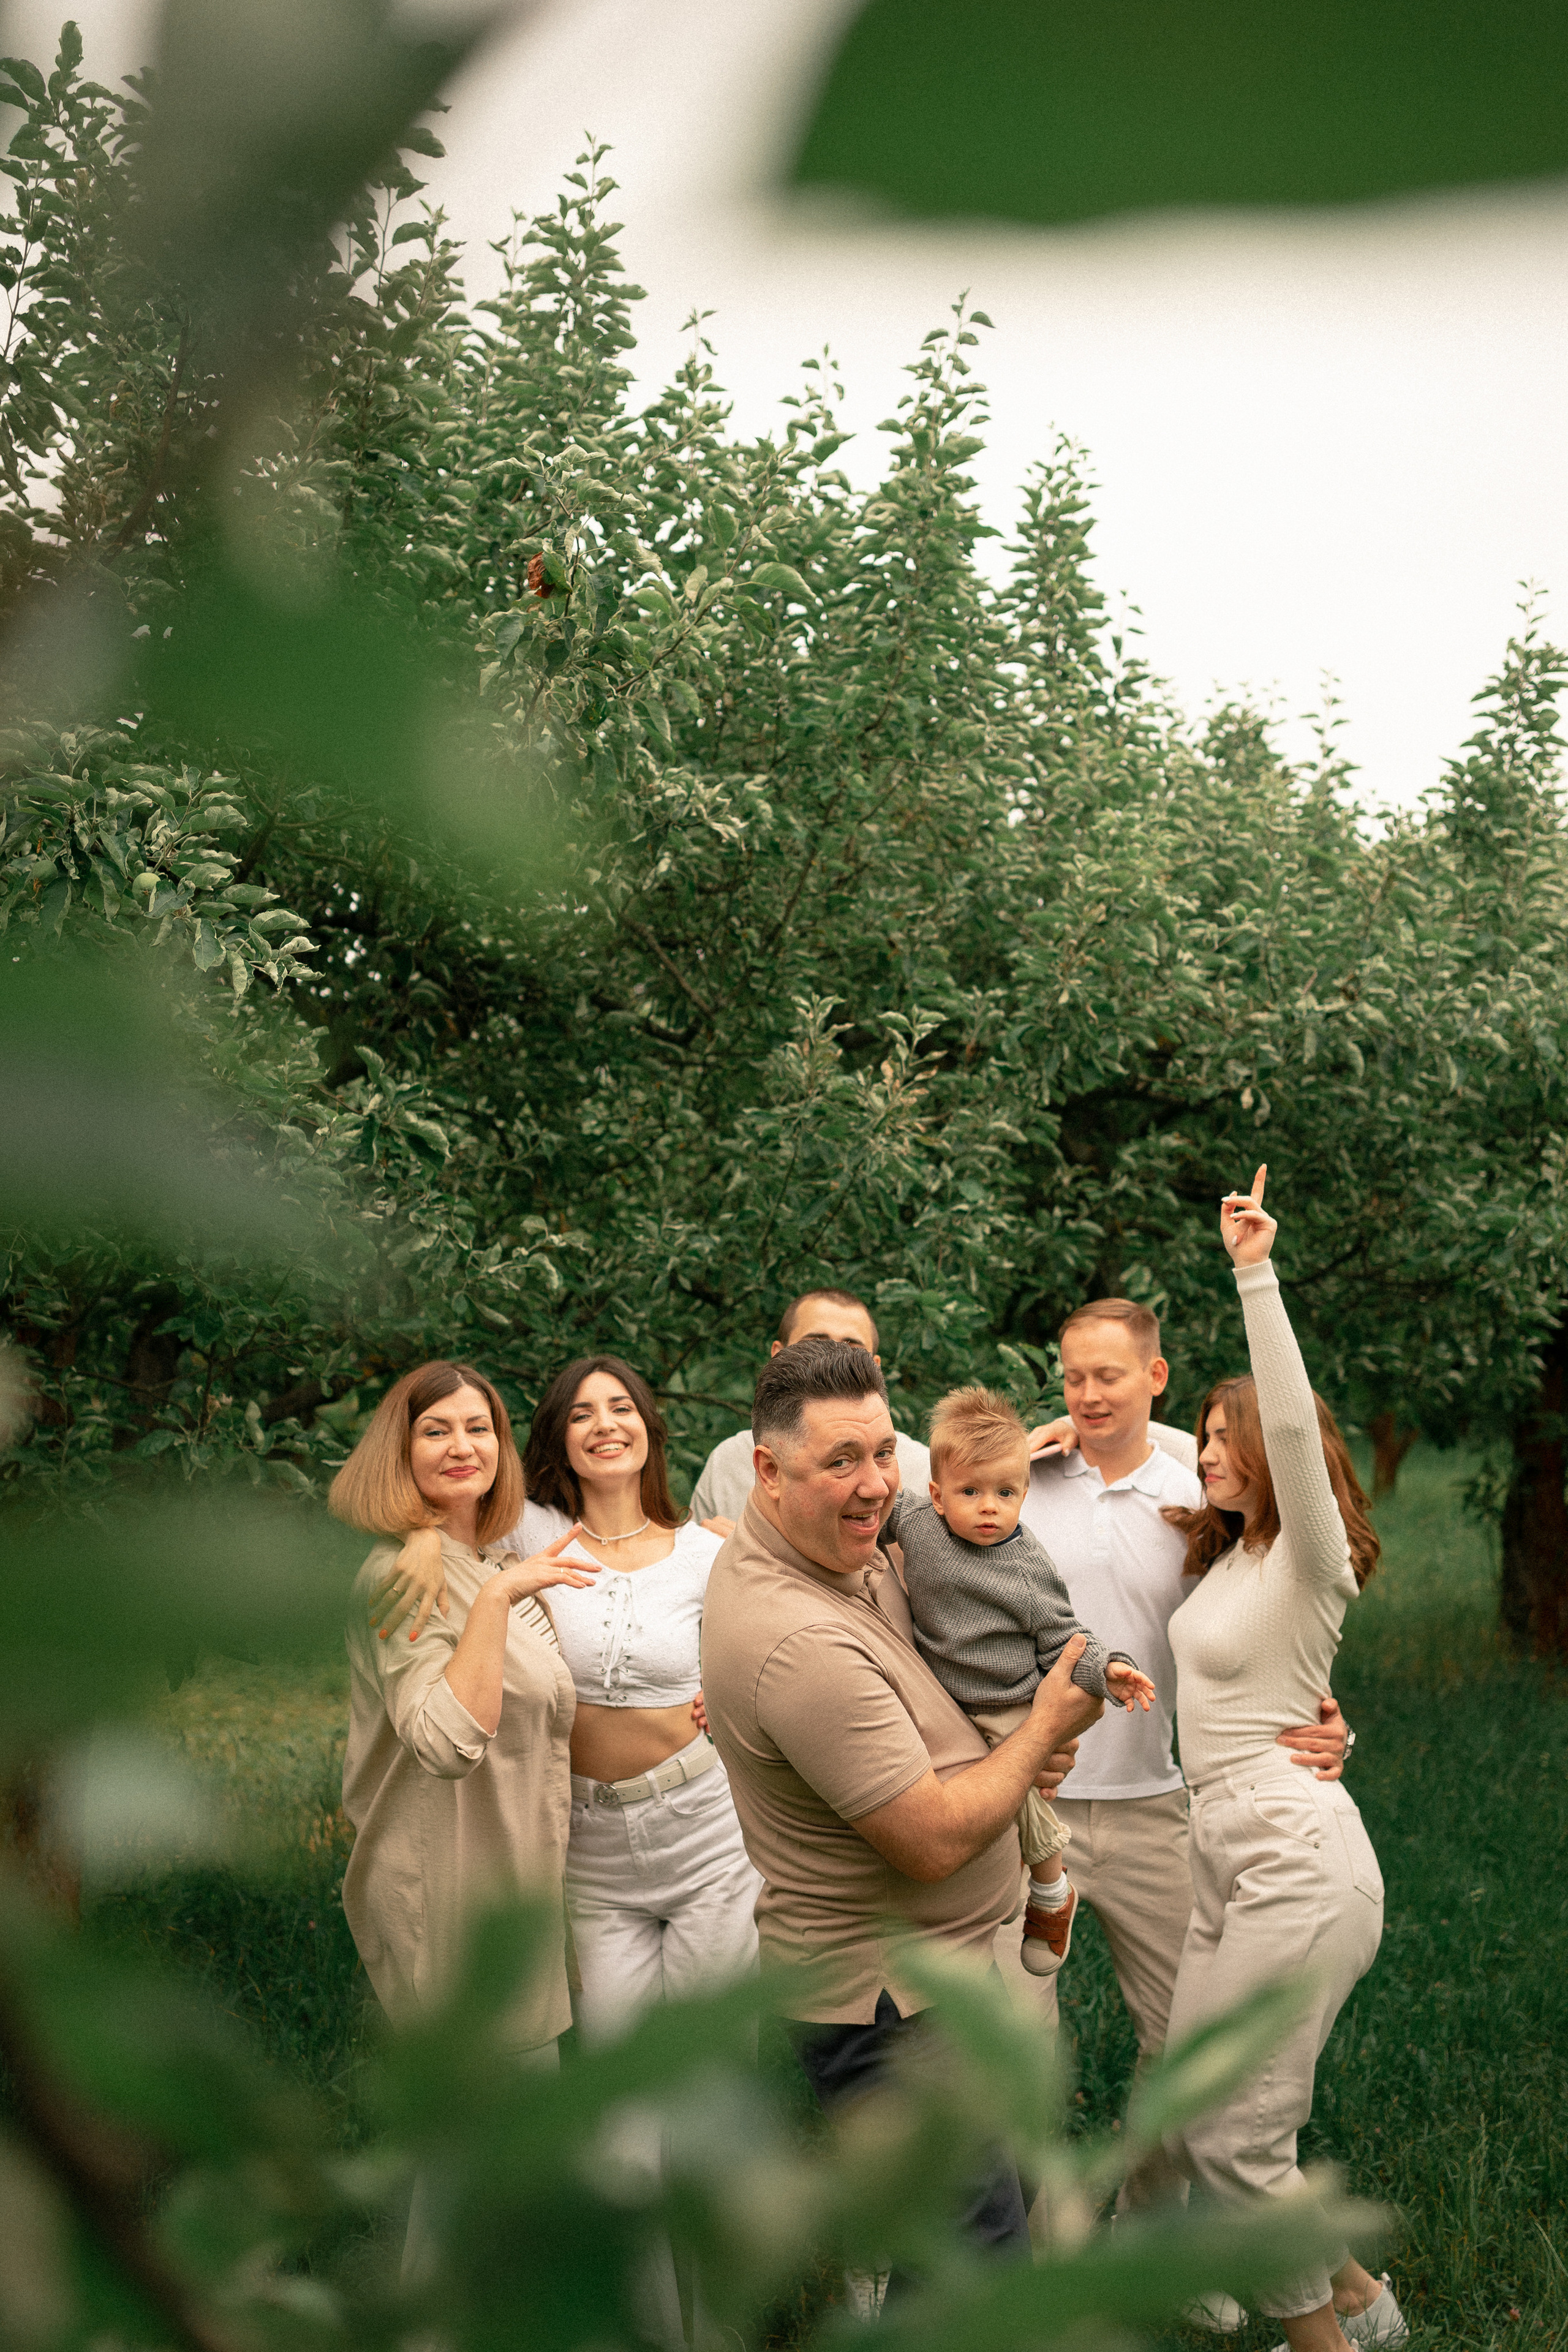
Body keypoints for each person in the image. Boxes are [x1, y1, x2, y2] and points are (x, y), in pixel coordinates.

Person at [701, 1335, 1101, 2274]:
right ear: (765, 1470)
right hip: (891, 2016)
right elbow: (928, 1843)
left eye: (884, 1451)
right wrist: (1042, 1727)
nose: (878, 1483)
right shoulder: (795, 1640)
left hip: (940, 1983)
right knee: (974, 2279)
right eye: (841, 1460)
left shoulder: (836, 1551)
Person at [1016, 1297, 1350, 2250]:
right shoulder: (1025, 1482)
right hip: (1031, 1811)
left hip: (1161, 1809)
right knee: (1018, 2047)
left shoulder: (1205, 1490)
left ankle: (1149, 2236)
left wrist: (1333, 1723)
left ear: (1154, 1378)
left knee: (1185, 2048)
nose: (1087, 1395)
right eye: (1073, 1376)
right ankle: (1045, 2248)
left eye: (1109, 1376)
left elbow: (1270, 1630)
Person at [1162, 1169, 1404, 2352]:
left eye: (1227, 1436)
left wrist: (1253, 1269)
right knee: (1197, 2106)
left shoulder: (1312, 1561)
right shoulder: (1226, 1560)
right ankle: (1356, 2291)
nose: (1210, 1452)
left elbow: (1297, 1427)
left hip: (1295, 1853)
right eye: (1202, 1435)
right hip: (1223, 1847)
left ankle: (1327, 2344)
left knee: (1235, 2139)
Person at [374, 1356, 761, 2046]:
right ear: (556, 1437)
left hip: (704, 1829)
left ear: (649, 1429)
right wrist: (420, 1537)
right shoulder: (525, 1532)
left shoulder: (706, 1549)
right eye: (581, 1413)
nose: (605, 1425)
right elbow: (454, 1501)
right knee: (616, 2069)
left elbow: (784, 1635)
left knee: (713, 2058)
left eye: (621, 1408)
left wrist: (731, 1697)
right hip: (588, 1843)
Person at [333, 1361, 592, 2071]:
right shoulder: (402, 1574)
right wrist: (495, 1601)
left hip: (507, 1885)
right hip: (444, 1889)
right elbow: (445, 1743)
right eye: (435, 1431)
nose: (461, 1446)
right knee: (481, 2151)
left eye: (479, 1428)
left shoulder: (487, 1560)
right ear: (400, 1451)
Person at [889, 1384, 1155, 1977]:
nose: (989, 1507)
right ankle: (985, 1887)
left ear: (1024, 1493)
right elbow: (870, 1517)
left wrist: (1110, 1668)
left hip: (1009, 1700)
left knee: (1017, 1787)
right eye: (970, 1492)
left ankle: (1051, 1890)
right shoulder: (916, 1525)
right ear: (935, 1495)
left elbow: (1065, 1638)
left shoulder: (1027, 1569)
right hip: (942, 1696)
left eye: (1005, 1493)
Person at [689, 1287, 929, 1534]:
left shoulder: (924, 1470)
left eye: (852, 1348)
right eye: (814, 1345)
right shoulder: (727, 1463)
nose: (833, 1359)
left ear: (876, 1368)